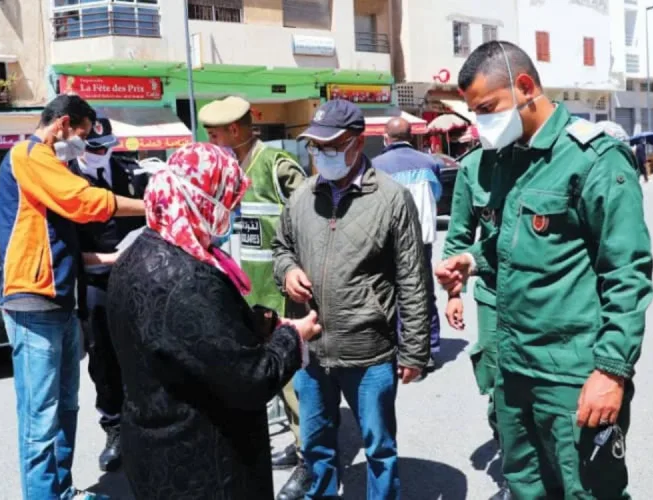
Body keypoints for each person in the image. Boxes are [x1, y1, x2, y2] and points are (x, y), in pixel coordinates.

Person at [436, 41, 653, 499]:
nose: (481, 122)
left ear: (525, 87)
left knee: (587, 492)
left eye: (488, 108)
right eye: (475, 112)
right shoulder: (507, 160)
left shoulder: (593, 158)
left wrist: (611, 372)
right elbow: (517, 246)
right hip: (515, 371)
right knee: (526, 487)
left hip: (573, 377)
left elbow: (627, 274)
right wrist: (474, 260)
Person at [106, 143, 322, 500]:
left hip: (151, 446)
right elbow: (250, 379)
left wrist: (256, 323)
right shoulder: (188, 278)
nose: (233, 212)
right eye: (228, 201)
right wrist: (291, 336)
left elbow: (189, 343)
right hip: (203, 463)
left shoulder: (137, 254)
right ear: (202, 201)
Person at [273, 99, 430, 499]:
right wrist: (287, 271)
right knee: (316, 447)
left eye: (331, 145)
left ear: (357, 144)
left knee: (379, 449)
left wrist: (414, 349)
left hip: (369, 350)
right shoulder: (301, 198)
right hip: (311, 350)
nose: (322, 154)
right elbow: (281, 248)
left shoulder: (392, 200)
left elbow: (412, 277)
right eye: (315, 146)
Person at [0, 94, 145, 500]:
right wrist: (152, 207)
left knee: (65, 408)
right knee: (40, 416)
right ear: (62, 125)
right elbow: (85, 202)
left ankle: (60, 490)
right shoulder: (29, 155)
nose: (82, 144)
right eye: (82, 134)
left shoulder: (51, 166)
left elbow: (66, 240)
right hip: (33, 300)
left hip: (60, 300)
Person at [198, 95, 311, 499]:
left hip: (280, 294)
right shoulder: (225, 170)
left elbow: (309, 220)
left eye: (214, 133)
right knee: (264, 383)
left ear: (234, 130)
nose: (210, 140)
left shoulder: (276, 165)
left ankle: (308, 460)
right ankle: (295, 449)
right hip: (245, 296)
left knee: (295, 386)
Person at [68, 116, 148, 472]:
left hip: (136, 281)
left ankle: (144, 425)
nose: (102, 152)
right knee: (103, 358)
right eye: (94, 147)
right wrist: (109, 259)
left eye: (107, 145)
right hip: (95, 282)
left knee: (142, 352)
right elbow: (65, 246)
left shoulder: (131, 175)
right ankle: (114, 428)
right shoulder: (67, 181)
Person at [438, 145, 511, 500]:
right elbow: (460, 235)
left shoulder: (552, 156)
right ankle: (515, 474)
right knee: (500, 387)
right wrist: (454, 292)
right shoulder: (472, 167)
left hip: (547, 298)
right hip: (494, 296)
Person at [372, 117, 442, 374]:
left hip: (389, 240)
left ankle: (402, 346)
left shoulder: (376, 165)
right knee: (423, 292)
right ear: (411, 135)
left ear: (385, 137)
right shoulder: (430, 162)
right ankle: (430, 348)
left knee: (394, 293)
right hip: (422, 239)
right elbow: (436, 195)